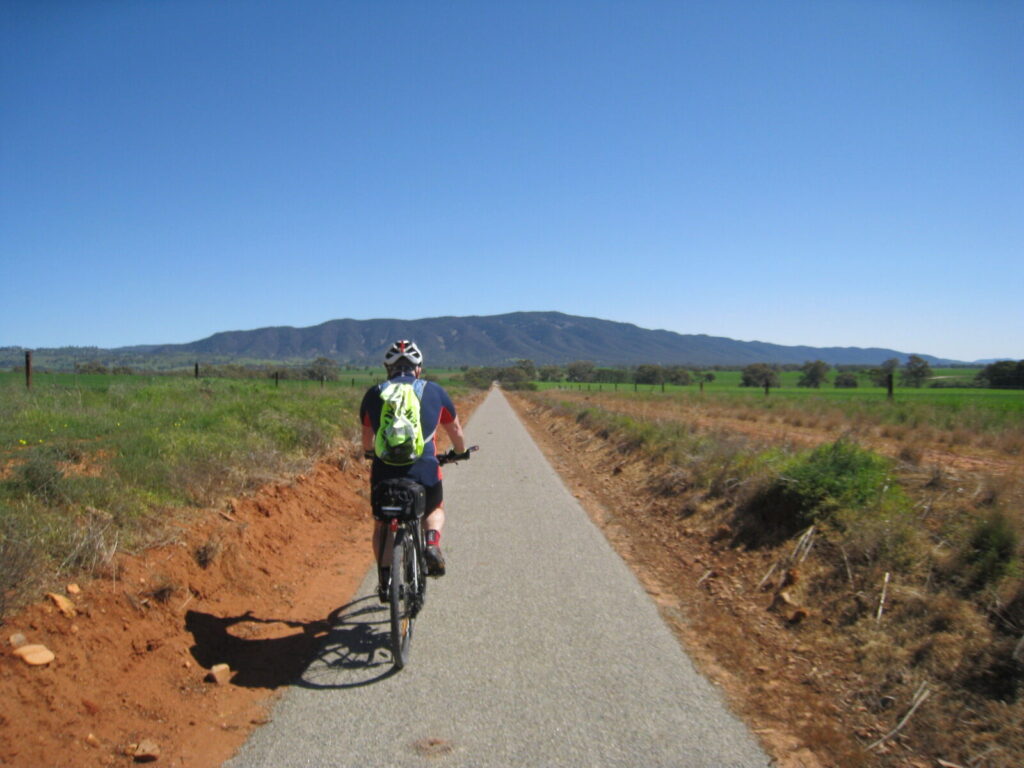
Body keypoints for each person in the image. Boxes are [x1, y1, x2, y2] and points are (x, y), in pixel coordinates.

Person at [359, 340, 468, 594]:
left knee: (383, 524)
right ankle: (431, 543)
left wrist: (368, 453)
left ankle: (385, 579)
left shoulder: (374, 393)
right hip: (424, 468)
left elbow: (367, 437)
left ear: (388, 369)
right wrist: (460, 453)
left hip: (384, 470)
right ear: (418, 368)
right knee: (434, 508)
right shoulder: (435, 391)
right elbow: (456, 431)